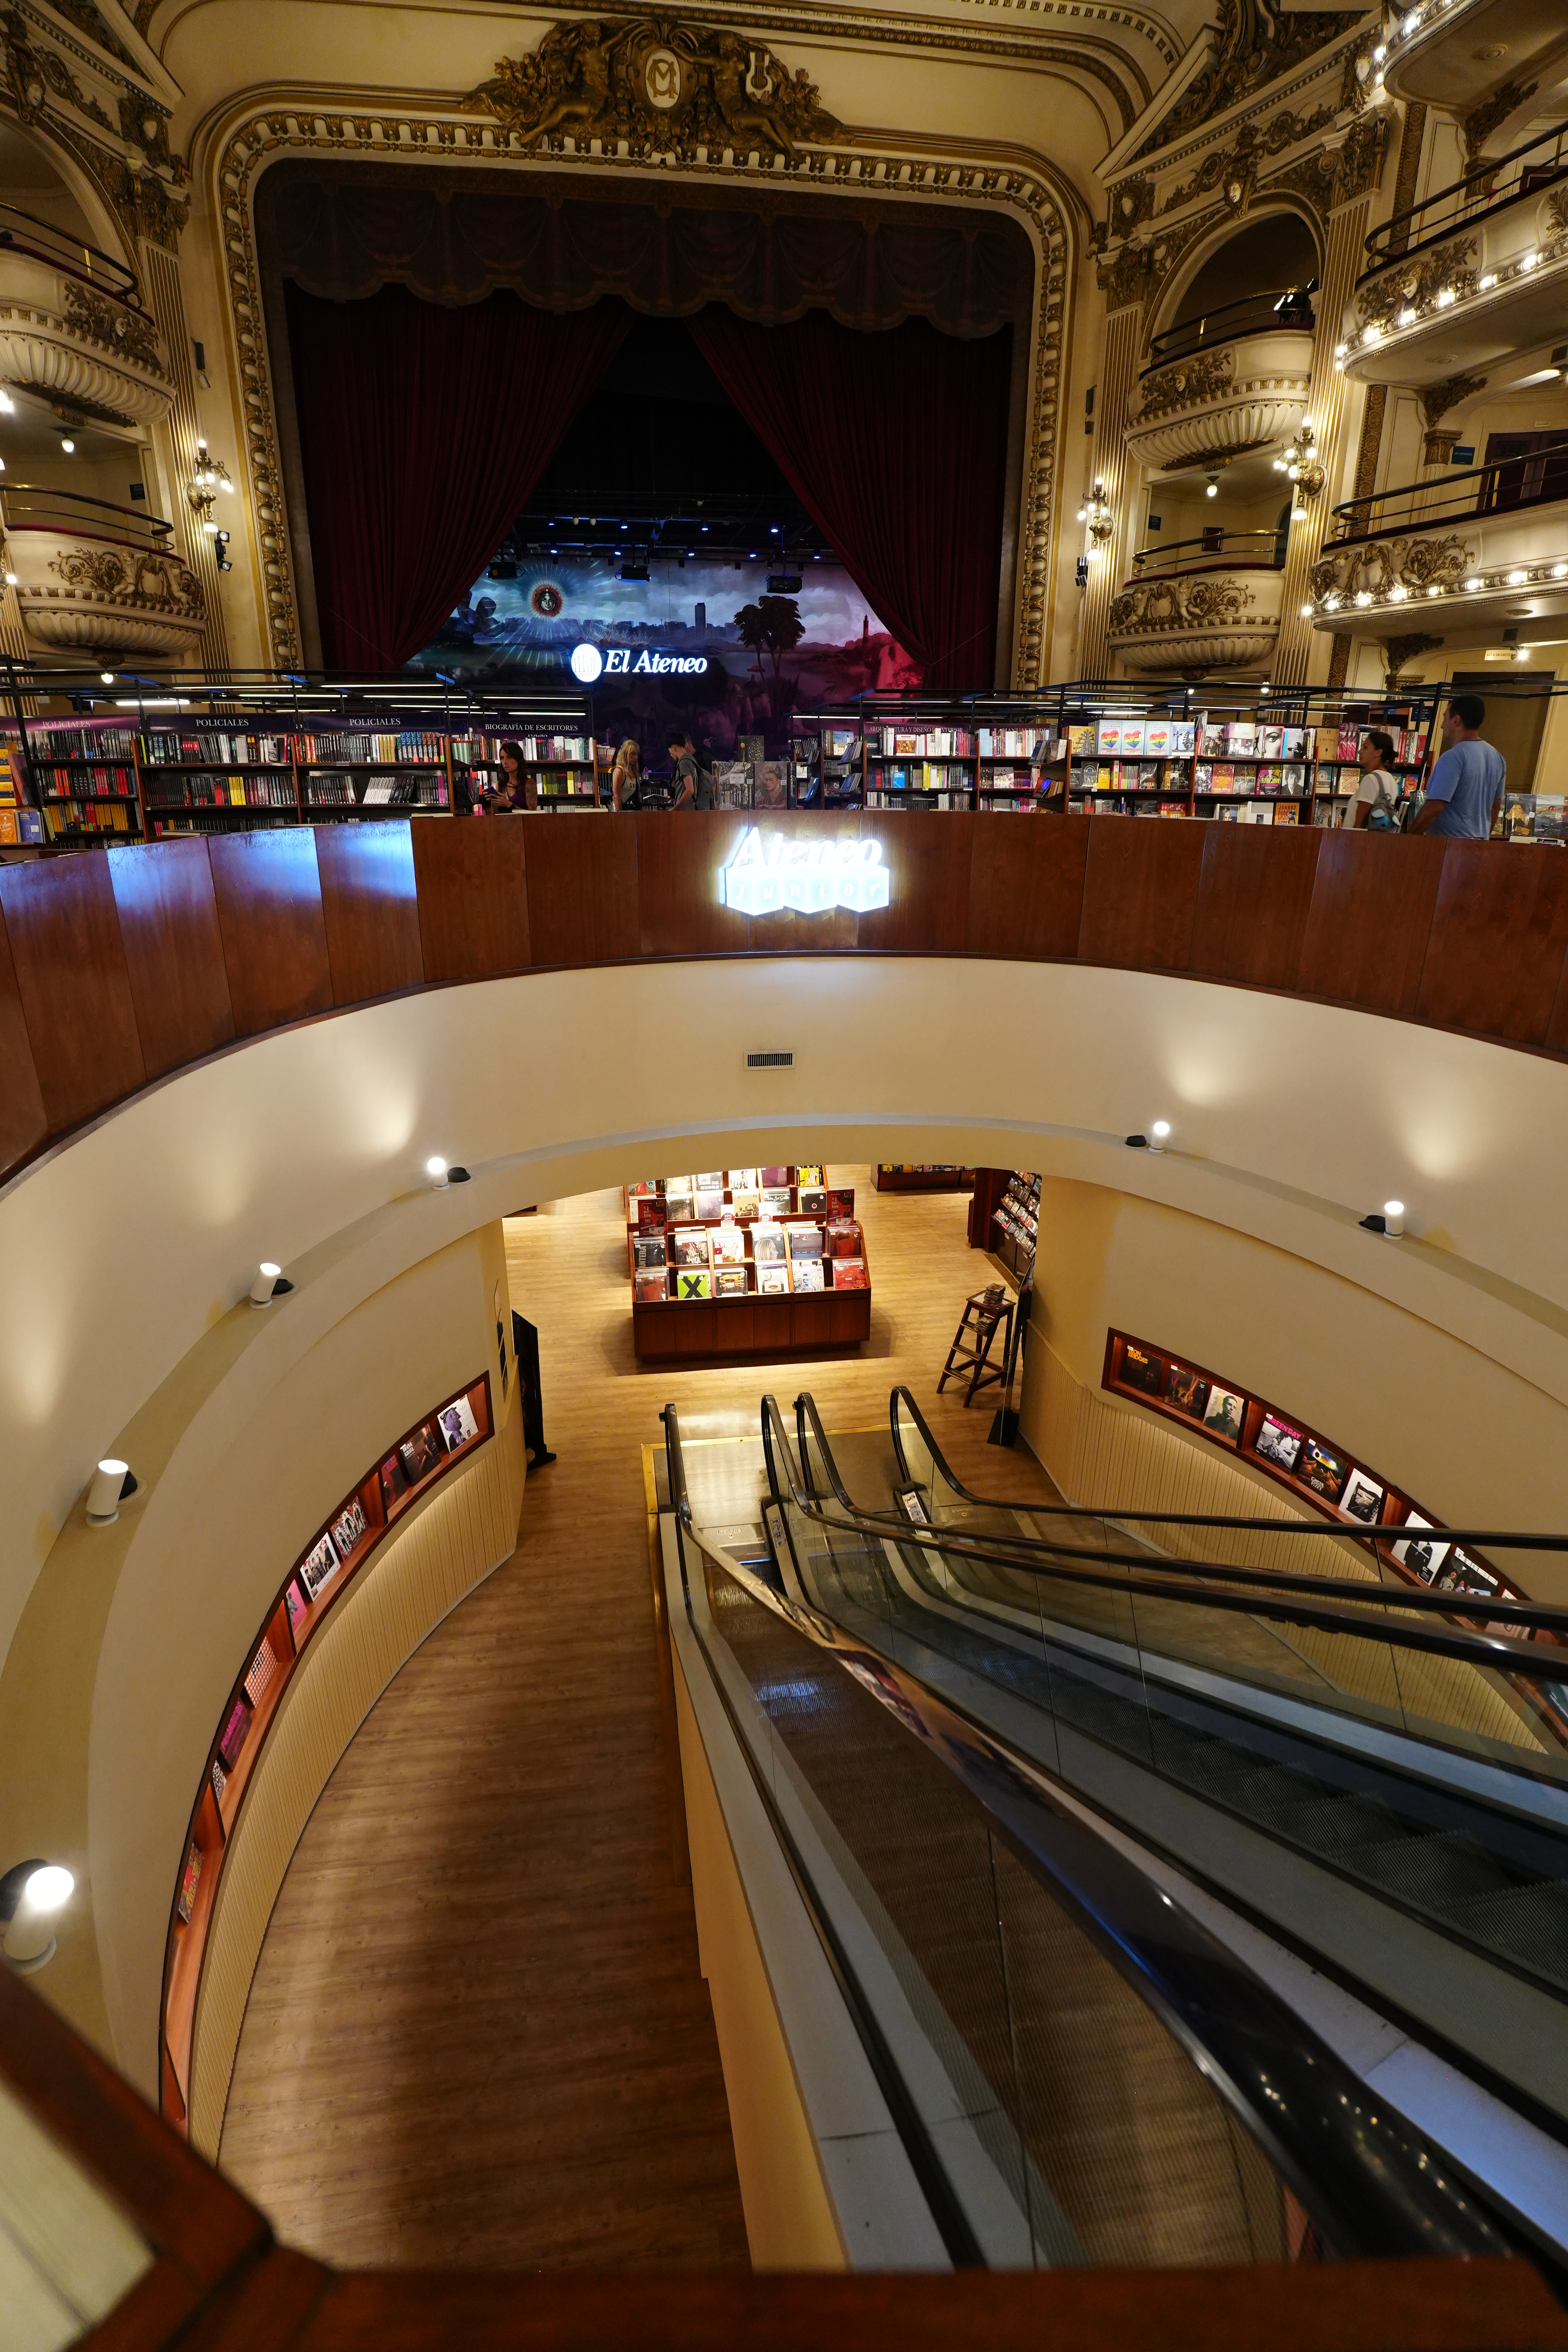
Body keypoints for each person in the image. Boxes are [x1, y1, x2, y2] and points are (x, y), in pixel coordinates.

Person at [1410, 694, 1505, 838]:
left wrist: (1408, 837)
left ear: (1456, 721)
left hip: (1449, 847)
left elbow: (1435, 807)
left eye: (1445, 718)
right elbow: (1495, 807)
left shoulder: (1454, 757)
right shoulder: (1497, 758)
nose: (1442, 725)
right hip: (1478, 845)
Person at [1350, 729, 1401, 830]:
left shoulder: (1371, 779)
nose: (1360, 751)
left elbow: (1359, 824)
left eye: (1365, 747)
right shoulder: (1391, 779)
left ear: (1378, 753)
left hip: (1361, 841)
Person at [481, 740, 536, 813]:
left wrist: (509, 804)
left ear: (518, 759)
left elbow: (533, 814)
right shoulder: (500, 785)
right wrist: (493, 801)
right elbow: (496, 815)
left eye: (509, 757)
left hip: (522, 824)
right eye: (502, 758)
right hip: (503, 824)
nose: (505, 762)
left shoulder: (528, 783)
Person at [666, 729, 713, 810]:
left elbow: (690, 790)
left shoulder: (684, 762)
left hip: (686, 811)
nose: (670, 755)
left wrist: (675, 808)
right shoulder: (691, 760)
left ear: (673, 748)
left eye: (670, 751)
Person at [610, 737, 642, 811]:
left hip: (632, 812)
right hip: (621, 812)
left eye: (637, 754)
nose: (636, 757)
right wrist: (621, 815)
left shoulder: (634, 771)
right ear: (625, 754)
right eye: (633, 754)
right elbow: (616, 796)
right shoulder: (619, 771)